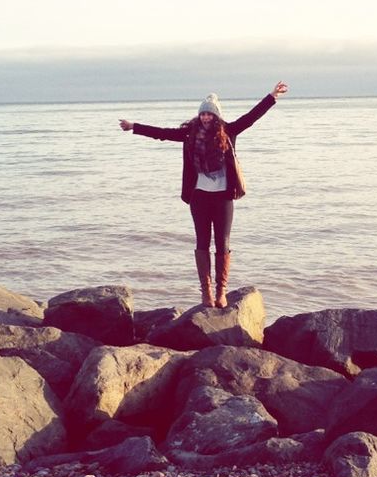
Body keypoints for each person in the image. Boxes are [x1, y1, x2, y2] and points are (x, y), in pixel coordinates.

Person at [119, 82, 288, 308]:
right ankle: (206, 291)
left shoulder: (228, 131)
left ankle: (221, 291)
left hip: (224, 197)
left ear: (216, 116)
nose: (206, 118)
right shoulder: (190, 134)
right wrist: (134, 127)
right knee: (202, 241)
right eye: (203, 114)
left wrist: (272, 96)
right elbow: (163, 134)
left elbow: (252, 117)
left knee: (223, 243)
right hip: (199, 196)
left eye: (210, 114)